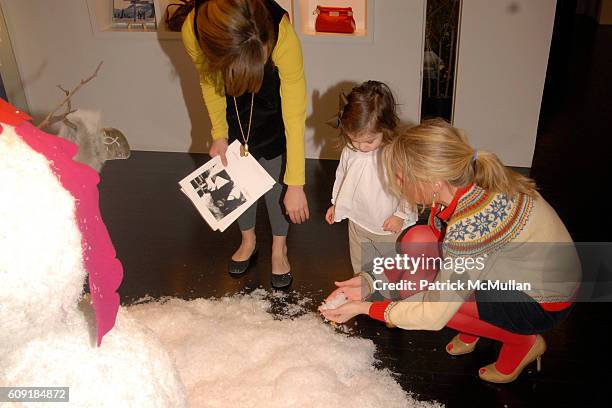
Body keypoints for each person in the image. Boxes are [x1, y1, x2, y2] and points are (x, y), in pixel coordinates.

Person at [320, 119, 580, 383]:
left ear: (433, 181)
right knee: (419, 238)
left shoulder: (470, 225)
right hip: (522, 270)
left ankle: (521, 341)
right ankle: (478, 327)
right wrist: (369, 281)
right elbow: (428, 251)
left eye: (400, 177)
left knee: (424, 292)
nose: (396, 184)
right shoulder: (464, 182)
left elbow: (432, 314)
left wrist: (366, 308)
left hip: (543, 301)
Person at [182, 0, 309, 288]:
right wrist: (219, 133)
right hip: (231, 104)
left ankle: (279, 247)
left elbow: (295, 113)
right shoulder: (194, 29)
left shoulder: (283, 33)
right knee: (236, 176)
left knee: (277, 177)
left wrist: (296, 183)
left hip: (272, 104)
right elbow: (208, 80)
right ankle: (248, 239)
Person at [325, 81, 417, 275]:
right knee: (359, 263)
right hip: (358, 220)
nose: (361, 147)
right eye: (354, 140)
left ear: (385, 128)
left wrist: (401, 214)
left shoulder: (394, 154)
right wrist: (336, 203)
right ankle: (362, 290)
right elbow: (342, 177)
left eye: (368, 141)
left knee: (390, 267)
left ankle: (388, 297)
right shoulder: (350, 151)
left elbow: (408, 186)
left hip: (387, 223)